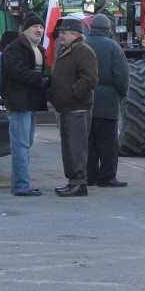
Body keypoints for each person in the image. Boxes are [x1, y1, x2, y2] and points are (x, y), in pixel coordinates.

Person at [0, 13, 50, 197]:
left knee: (25, 144)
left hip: (30, 104)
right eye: (35, 27)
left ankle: (21, 184)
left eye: (41, 27)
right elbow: (16, 71)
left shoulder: (36, 48)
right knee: (20, 146)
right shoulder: (15, 47)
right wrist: (39, 80)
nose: (39, 30)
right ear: (25, 29)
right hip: (19, 104)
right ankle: (21, 186)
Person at [49, 17, 98, 197]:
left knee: (77, 148)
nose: (61, 35)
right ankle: (72, 182)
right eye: (61, 32)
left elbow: (90, 78)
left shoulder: (83, 51)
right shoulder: (67, 50)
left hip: (77, 108)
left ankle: (79, 184)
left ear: (75, 34)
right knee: (69, 148)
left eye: (64, 32)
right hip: (65, 108)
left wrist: (72, 93)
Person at [85, 14, 129, 188]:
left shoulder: (83, 45)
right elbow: (121, 76)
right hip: (108, 102)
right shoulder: (114, 47)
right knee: (108, 143)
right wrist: (121, 94)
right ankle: (107, 177)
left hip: (86, 100)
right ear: (108, 29)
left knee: (90, 142)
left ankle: (90, 176)